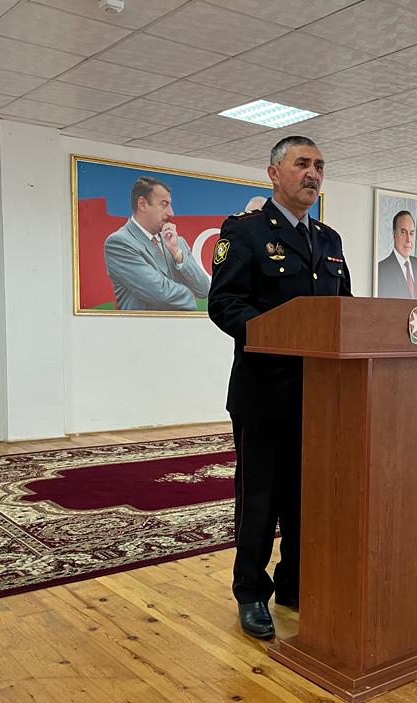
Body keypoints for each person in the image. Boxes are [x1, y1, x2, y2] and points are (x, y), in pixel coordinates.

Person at [208, 136, 352, 640]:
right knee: (260, 498)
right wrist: (277, 337)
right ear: (273, 173)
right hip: (264, 392)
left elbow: (345, 311)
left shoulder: (329, 240)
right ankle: (251, 591)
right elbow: (225, 304)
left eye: (319, 166)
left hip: (320, 396)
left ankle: (295, 582)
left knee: (306, 495)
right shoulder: (245, 232)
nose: (313, 174)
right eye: (302, 164)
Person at [104, 177, 210, 311]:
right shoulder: (119, 243)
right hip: (145, 325)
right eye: (164, 204)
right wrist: (190, 294)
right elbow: (159, 293)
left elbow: (204, 289)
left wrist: (177, 254)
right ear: (142, 204)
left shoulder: (178, 243)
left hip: (183, 325)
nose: (171, 213)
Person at [376, 210, 417, 299]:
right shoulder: (382, 269)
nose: (408, 239)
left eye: (411, 233)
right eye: (403, 232)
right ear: (394, 235)